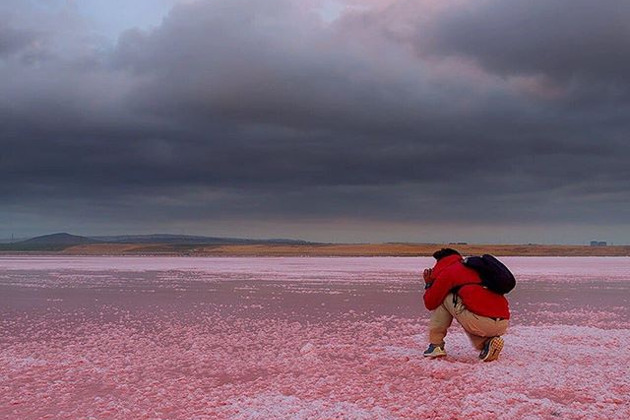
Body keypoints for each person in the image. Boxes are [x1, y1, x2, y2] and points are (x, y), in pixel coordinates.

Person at [422, 248, 510, 362]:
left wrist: (429, 284)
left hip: (481, 322)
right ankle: (487, 344)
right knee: (467, 307)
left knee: (444, 298)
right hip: (503, 321)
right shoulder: (475, 268)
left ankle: (435, 345)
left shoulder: (449, 272)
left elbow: (430, 303)